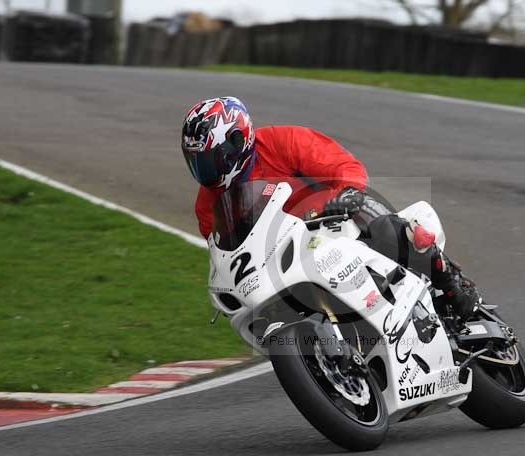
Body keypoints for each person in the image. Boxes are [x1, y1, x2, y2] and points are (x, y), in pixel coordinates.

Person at [183, 96, 480, 319]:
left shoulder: (281, 141)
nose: (204, 171)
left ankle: (448, 276)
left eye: (210, 159)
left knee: (374, 221)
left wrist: (347, 191)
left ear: (238, 141)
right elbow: (225, 253)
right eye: (197, 162)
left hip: (332, 220)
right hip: (287, 258)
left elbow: (339, 163)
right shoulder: (206, 204)